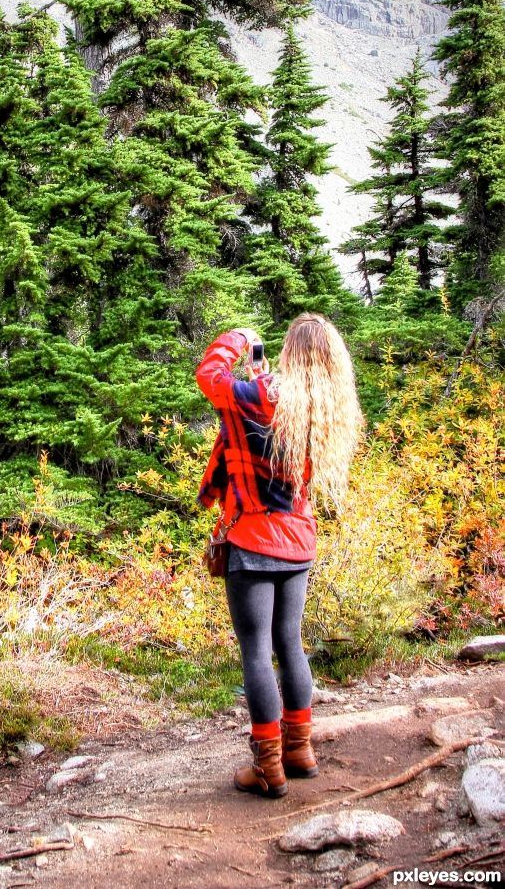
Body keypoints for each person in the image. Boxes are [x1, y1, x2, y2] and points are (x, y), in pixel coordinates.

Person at [196, 315, 364, 798]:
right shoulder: (324, 407)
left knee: (255, 653)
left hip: (251, 540)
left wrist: (240, 340)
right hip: (298, 541)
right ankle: (300, 751)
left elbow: (211, 376)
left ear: (290, 350)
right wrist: (260, 374)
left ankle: (268, 767)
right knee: (290, 644)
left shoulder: (264, 394)